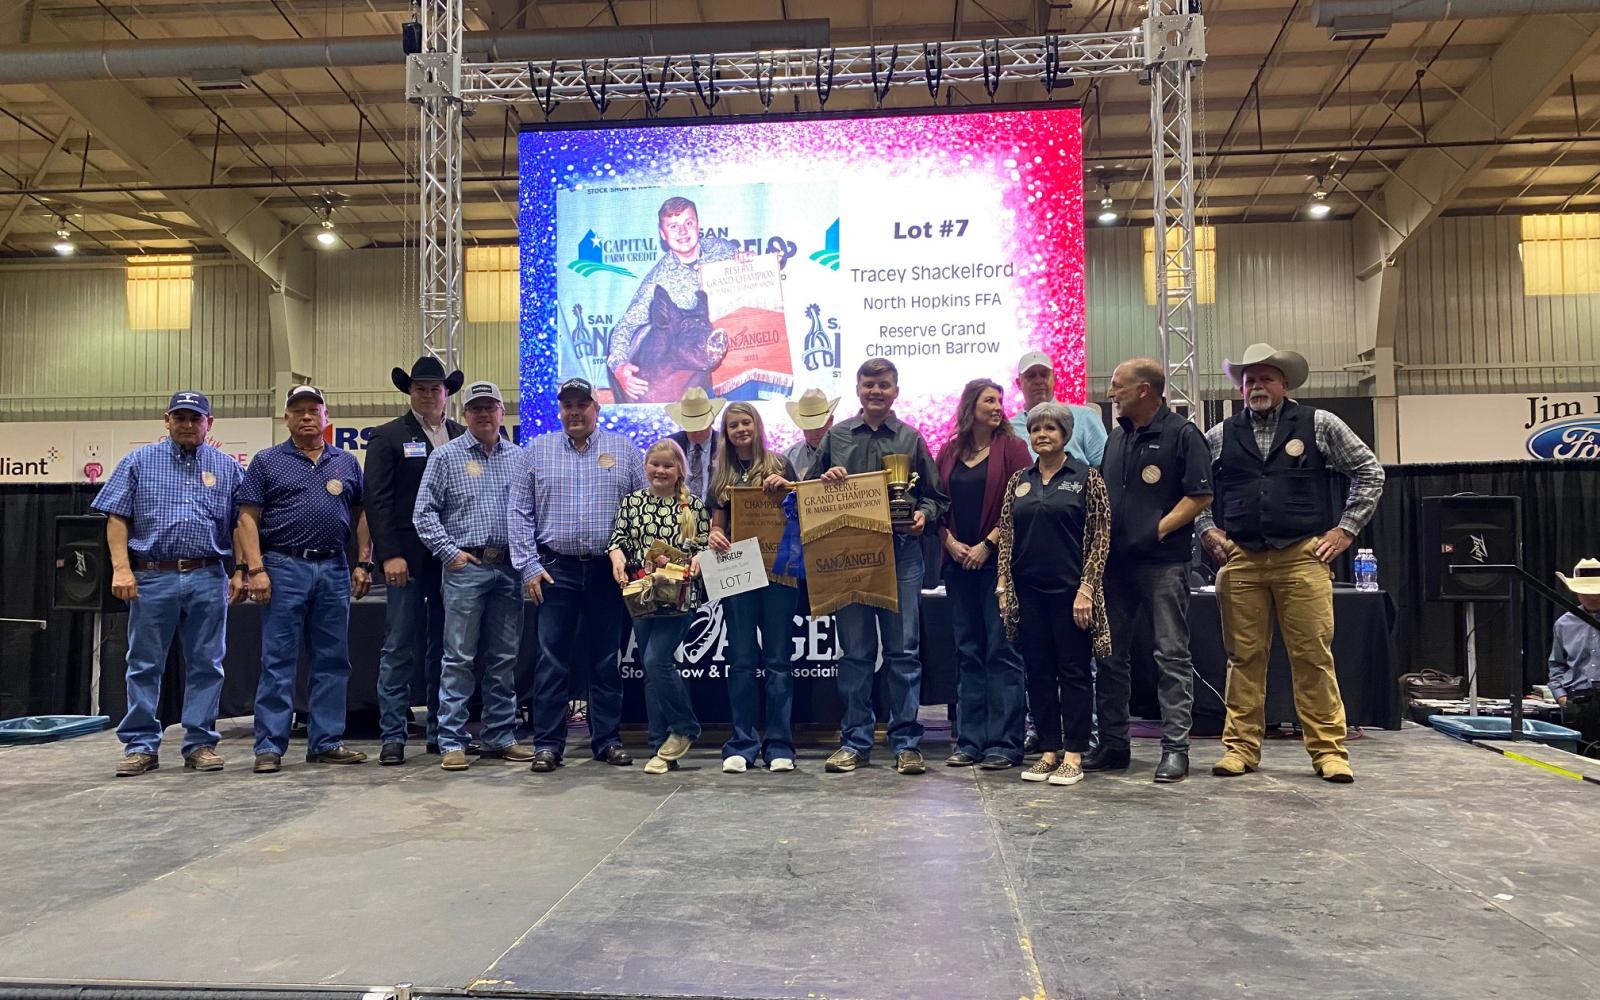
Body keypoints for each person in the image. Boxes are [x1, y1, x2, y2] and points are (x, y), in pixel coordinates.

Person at [1196, 343, 1385, 784]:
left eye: (1266, 378)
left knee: (1312, 657)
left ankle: (1329, 753)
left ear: (1284, 384)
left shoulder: (1319, 424)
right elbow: (1195, 487)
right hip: (1241, 560)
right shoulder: (1221, 433)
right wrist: (1206, 529)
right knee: (1242, 658)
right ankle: (1239, 749)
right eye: (1249, 380)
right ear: (1241, 388)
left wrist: (1346, 530)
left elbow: (1370, 471)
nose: (1257, 386)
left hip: (1302, 557)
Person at [95, 390, 244, 777]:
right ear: (167, 420)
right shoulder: (138, 461)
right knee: (143, 663)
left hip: (208, 574)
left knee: (207, 664)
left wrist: (242, 569)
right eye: (180, 417)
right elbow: (116, 518)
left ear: (209, 423)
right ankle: (141, 745)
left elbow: (242, 523)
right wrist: (121, 569)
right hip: (151, 575)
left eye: (196, 418)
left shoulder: (227, 467)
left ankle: (199, 744)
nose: (188, 424)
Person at [812, 357, 950, 776]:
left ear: (895, 391)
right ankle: (855, 741)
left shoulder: (910, 438)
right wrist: (824, 481)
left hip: (902, 554)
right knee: (856, 653)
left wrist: (924, 514)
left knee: (903, 652)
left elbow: (936, 496)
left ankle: (906, 742)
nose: (876, 391)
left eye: (884, 385)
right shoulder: (835, 438)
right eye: (869, 384)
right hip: (849, 556)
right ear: (858, 389)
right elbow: (806, 498)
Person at [510, 377, 646, 773]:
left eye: (581, 404)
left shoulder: (624, 450)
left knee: (605, 660)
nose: (574, 411)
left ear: (596, 408)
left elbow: (639, 509)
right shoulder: (536, 451)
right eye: (567, 405)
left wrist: (635, 564)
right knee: (551, 661)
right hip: (555, 570)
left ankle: (606, 740)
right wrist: (529, 566)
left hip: (609, 572)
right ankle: (548, 744)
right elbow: (519, 513)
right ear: (560, 410)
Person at [237, 385, 372, 774]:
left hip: (333, 567)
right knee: (278, 660)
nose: (307, 417)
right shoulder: (266, 461)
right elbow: (248, 518)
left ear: (326, 417)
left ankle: (326, 741)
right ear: (287, 419)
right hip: (283, 567)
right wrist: (255, 569)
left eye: (314, 410)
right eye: (298, 411)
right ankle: (269, 747)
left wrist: (364, 562)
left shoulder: (346, 462)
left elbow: (362, 514)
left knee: (332, 659)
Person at [1092, 359, 1213, 783]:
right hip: (1115, 566)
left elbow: (1200, 496)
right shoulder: (1115, 439)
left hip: (1164, 563)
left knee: (1171, 655)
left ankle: (1176, 750)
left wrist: (1154, 532)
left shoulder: (1182, 434)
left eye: (1116, 386)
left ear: (1144, 390)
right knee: (1109, 656)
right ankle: (1113, 744)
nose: (1111, 393)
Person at [412, 381, 534, 771]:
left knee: (503, 659)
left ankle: (500, 736)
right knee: (459, 658)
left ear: (502, 413)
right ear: (464, 415)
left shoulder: (520, 458)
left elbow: (530, 513)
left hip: (508, 569)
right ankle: (452, 740)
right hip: (466, 569)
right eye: (476, 408)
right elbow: (423, 514)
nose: (484, 414)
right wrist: (450, 554)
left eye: (491, 407)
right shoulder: (445, 457)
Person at [996, 401, 1111, 787]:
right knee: (1039, 674)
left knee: (1074, 673)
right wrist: (1003, 587)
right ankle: (1048, 750)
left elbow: (1100, 538)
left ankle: (1075, 753)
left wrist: (1087, 589)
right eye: (1035, 429)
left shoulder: (1087, 478)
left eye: (1051, 428)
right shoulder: (1019, 481)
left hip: (1071, 594)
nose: (1042, 435)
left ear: (1066, 434)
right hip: (1029, 593)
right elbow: (1007, 537)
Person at [365, 356, 465, 765]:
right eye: (420, 388)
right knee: (399, 645)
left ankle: (443, 730)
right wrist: (389, 553)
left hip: (452, 559)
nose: (427, 394)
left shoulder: (462, 435)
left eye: (434, 388)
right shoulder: (388, 437)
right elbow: (378, 500)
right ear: (410, 392)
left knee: (447, 646)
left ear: (446, 393)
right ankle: (393, 733)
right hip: (405, 558)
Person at [935, 378, 1031, 770]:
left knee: (1002, 652)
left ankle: (1005, 743)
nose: (997, 406)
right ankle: (969, 741)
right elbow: (936, 502)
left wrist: (986, 545)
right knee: (968, 651)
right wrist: (949, 542)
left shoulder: (1013, 448)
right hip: (958, 566)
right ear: (970, 404)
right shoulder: (949, 451)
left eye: (1000, 400)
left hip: (999, 566)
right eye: (989, 400)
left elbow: (1023, 502)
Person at [707, 402, 800, 773]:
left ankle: (779, 746)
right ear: (726, 433)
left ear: (757, 426)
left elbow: (803, 511)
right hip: (739, 571)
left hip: (780, 572)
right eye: (733, 425)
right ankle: (742, 744)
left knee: (778, 661)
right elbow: (717, 525)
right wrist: (714, 534)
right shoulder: (720, 475)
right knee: (741, 660)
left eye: (746, 422)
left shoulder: (781, 465)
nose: (741, 429)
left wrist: (789, 491)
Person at [608, 439, 710, 775]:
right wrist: (617, 558)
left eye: (668, 465)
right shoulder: (633, 501)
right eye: (655, 464)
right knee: (652, 668)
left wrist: (697, 559)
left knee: (656, 659)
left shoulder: (692, 506)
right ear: (646, 467)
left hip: (679, 598)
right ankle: (660, 746)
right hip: (641, 596)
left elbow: (705, 547)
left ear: (680, 469)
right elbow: (618, 539)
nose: (660, 471)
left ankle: (685, 727)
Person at [607, 196, 744, 402]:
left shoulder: (724, 250)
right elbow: (625, 327)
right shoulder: (658, 281)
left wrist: (749, 261)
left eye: (688, 223)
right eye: (673, 226)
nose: (682, 232)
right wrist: (618, 366)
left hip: (737, 354)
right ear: (663, 234)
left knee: (745, 413)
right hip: (698, 372)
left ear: (698, 225)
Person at [1012, 350, 1106, 467]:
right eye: (1031, 376)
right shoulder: (1010, 428)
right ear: (1018, 383)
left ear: (1055, 379)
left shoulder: (1084, 416)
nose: (1038, 381)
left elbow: (1105, 466)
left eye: (1044, 375)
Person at [1550, 558, 1600, 758]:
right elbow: (1557, 663)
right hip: (1580, 701)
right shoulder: (1564, 624)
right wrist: (1560, 695)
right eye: (1586, 590)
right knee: (1582, 762)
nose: (1592, 596)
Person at [665, 386, 724, 504]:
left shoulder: (725, 445)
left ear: (712, 421)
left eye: (700, 426)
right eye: (691, 427)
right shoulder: (670, 445)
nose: (696, 431)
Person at [784, 388, 838, 480]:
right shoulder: (788, 458)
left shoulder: (847, 450)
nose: (815, 433)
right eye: (809, 428)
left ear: (830, 421)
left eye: (820, 427)